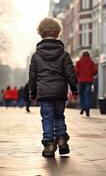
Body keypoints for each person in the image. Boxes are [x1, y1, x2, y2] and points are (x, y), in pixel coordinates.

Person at [29, 17, 78, 158]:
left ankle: (49, 145)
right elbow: (70, 73)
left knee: (47, 118)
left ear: (41, 34)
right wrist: (74, 89)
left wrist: (33, 92)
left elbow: (32, 76)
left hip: (44, 92)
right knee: (59, 117)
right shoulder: (64, 54)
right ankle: (62, 141)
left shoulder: (36, 56)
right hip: (60, 92)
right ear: (57, 33)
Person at [75, 51, 97, 117]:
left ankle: (83, 107)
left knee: (82, 95)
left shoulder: (78, 62)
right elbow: (95, 71)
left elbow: (76, 72)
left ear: (82, 55)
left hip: (81, 81)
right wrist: (91, 74)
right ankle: (87, 110)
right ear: (88, 55)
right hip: (89, 81)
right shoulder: (92, 62)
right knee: (88, 96)